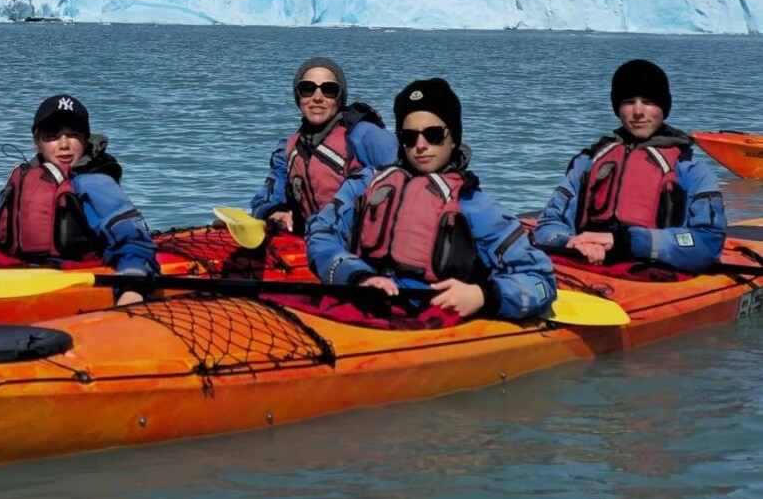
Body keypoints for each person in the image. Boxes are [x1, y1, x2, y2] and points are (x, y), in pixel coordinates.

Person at [305, 78, 556, 321]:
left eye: (433, 134)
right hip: (361, 298)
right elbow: (320, 232)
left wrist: (482, 295)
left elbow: (541, 281)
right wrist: (357, 276)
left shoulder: (475, 206)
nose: (421, 145)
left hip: (428, 316)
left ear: (454, 138)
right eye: (409, 137)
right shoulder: (365, 183)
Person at [0, 94, 158, 305]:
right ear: (38, 143)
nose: (64, 144)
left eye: (73, 135)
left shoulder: (94, 182)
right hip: (24, 276)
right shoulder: (25, 180)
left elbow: (131, 240)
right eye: (53, 136)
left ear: (85, 140)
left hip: (75, 278)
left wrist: (133, 288)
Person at [533, 59, 726, 272]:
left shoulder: (691, 171)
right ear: (617, 107)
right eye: (628, 101)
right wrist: (570, 242)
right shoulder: (587, 163)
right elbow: (548, 225)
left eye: (648, 101)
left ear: (664, 107)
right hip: (585, 266)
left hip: (655, 276)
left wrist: (625, 241)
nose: (638, 111)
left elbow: (707, 243)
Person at [249, 57, 398, 232]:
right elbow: (267, 198)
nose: (317, 98)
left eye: (329, 90)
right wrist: (274, 213)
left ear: (340, 97)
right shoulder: (287, 150)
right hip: (313, 243)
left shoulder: (365, 135)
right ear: (298, 96)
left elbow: (405, 183)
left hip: (362, 244)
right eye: (307, 89)